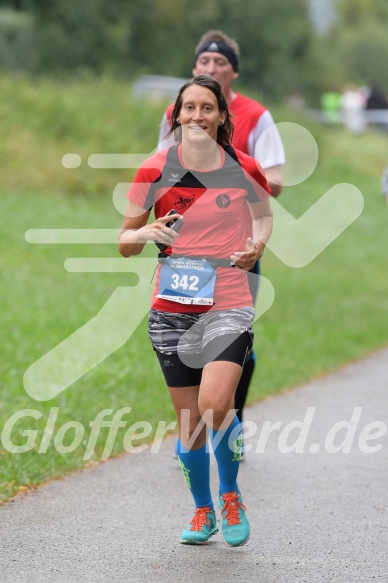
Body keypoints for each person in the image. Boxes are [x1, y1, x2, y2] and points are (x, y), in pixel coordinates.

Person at [119, 75, 273, 546]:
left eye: (208, 108)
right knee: (190, 424)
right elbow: (124, 241)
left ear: (222, 117)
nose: (198, 116)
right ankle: (202, 511)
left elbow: (264, 213)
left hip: (228, 299)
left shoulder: (243, 167)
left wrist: (257, 245)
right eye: (190, 108)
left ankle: (230, 495)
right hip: (171, 308)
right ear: (176, 115)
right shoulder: (153, 169)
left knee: (216, 404)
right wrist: (146, 235)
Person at [157, 30, 284, 442]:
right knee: (181, 336)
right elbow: (159, 170)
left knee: (235, 339)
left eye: (219, 63)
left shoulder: (256, 116)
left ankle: (232, 423)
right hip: (185, 249)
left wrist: (238, 177)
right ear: (195, 68)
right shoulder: (176, 111)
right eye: (204, 62)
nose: (211, 68)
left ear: (234, 71)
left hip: (238, 245)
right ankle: (192, 428)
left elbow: (275, 180)